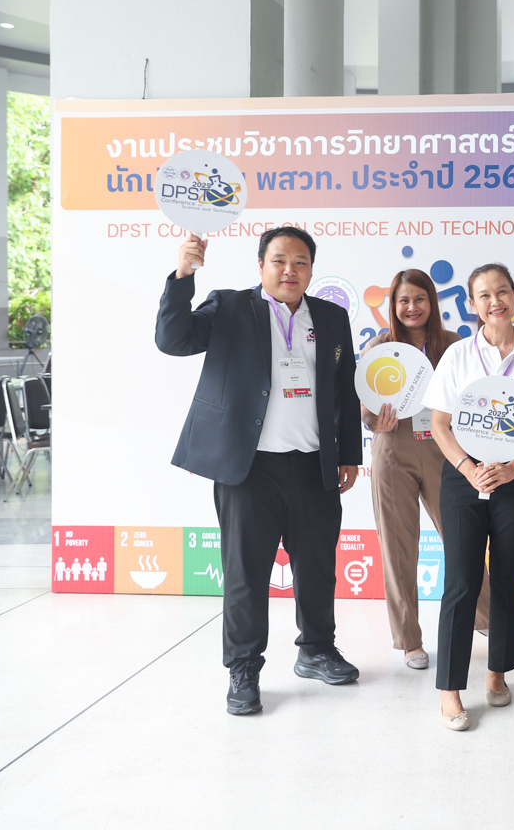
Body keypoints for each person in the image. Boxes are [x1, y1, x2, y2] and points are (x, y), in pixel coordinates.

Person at [156, 226, 363, 716]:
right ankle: (244, 668)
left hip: (313, 465)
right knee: (246, 574)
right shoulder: (230, 306)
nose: (290, 270)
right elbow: (173, 339)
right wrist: (183, 275)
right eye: (279, 261)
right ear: (261, 265)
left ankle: (317, 650)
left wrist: (349, 454)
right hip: (248, 469)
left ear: (311, 269)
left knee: (317, 566)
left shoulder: (331, 316)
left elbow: (344, 387)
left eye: (300, 262)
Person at [421, 263, 514, 731]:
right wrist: (468, 468)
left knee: (506, 577)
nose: (494, 301)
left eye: (502, 291)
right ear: (471, 304)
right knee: (461, 582)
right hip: (464, 478)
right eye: (483, 295)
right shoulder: (458, 355)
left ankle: (497, 672)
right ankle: (450, 689)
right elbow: (439, 423)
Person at [359, 269, 490, 671]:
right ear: (393, 306)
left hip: (445, 451)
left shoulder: (454, 346)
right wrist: (375, 421)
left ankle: (489, 619)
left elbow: (475, 399)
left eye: (419, 299)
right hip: (393, 450)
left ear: (432, 302)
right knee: (398, 548)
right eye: (403, 300)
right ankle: (409, 640)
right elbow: (365, 411)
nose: (412, 307)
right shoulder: (379, 348)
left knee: (464, 540)